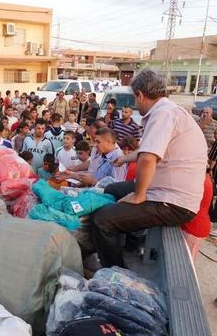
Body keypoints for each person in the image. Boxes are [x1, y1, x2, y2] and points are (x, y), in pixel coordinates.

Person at [88, 68, 207, 268]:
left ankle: (115, 272)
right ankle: (128, 239)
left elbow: (148, 158)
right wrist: (124, 159)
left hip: (172, 201)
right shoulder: (168, 110)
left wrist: (138, 195)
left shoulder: (163, 114)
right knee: (113, 189)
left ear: (140, 95)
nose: (135, 104)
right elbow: (146, 149)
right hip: (164, 191)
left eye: (134, 99)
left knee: (101, 220)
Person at [181, 172, 213, 261]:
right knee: (187, 259)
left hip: (194, 226)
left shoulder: (198, 179)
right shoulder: (202, 175)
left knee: (187, 262)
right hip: (196, 223)